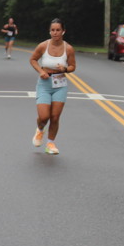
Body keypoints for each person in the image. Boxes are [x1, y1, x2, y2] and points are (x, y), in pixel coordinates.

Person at [29, 18, 76, 155]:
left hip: (60, 84)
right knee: (44, 117)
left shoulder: (68, 48)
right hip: (44, 84)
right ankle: (40, 129)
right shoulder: (43, 46)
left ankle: (50, 143)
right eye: (53, 30)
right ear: (49, 31)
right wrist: (41, 71)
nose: (55, 33)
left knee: (55, 117)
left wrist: (65, 69)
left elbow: (73, 66)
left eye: (58, 30)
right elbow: (33, 60)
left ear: (63, 31)